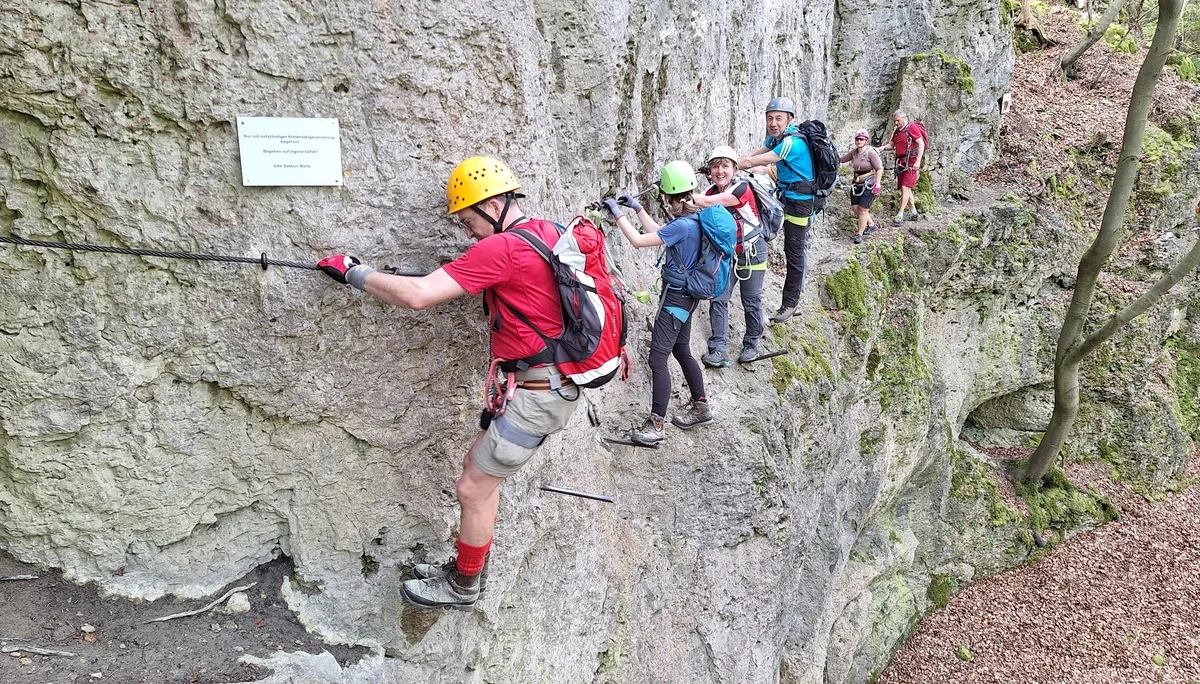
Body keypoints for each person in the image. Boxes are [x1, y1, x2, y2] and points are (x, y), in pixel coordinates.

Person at [316, 156, 581, 611]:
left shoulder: (502, 249)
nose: (467, 232)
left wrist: (353, 271)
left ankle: (463, 587)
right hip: (544, 385)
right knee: (479, 476)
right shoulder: (551, 232)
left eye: (468, 219)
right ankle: (467, 566)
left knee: (472, 488)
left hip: (539, 394)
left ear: (494, 203)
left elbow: (419, 295)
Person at [601, 160, 715, 445]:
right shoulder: (694, 220)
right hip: (688, 296)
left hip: (676, 298)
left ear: (667, 196)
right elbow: (661, 234)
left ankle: (656, 425)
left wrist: (617, 214)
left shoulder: (683, 226)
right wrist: (637, 209)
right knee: (680, 348)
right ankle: (700, 405)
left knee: (657, 357)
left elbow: (640, 241)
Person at [737, 96, 815, 324]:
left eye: (778, 118)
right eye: (770, 118)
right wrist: (729, 161)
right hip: (785, 197)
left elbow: (754, 162)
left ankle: (790, 302)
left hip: (801, 203)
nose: (773, 123)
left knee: (794, 251)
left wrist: (726, 164)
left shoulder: (792, 142)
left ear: (789, 120)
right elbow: (752, 156)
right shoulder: (776, 138)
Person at [693, 145, 766, 366]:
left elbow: (705, 204)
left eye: (725, 166)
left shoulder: (741, 188)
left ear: (734, 168)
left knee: (751, 300)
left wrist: (682, 191)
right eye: (715, 166)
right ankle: (718, 348)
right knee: (718, 298)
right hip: (727, 254)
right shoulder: (707, 192)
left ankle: (751, 343)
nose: (720, 171)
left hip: (752, 251)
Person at [878, 109, 926, 223]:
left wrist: (918, 161)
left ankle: (900, 214)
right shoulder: (898, 131)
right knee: (906, 189)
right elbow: (892, 144)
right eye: (895, 121)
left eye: (897, 120)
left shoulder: (912, 128)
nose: (896, 123)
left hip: (911, 162)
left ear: (903, 118)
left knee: (905, 188)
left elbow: (921, 143)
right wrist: (883, 147)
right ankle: (914, 213)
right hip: (902, 163)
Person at [840, 129, 884, 244]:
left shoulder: (870, 153)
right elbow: (842, 159)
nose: (859, 141)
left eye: (861, 139)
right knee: (856, 209)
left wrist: (877, 183)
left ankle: (859, 234)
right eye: (857, 139)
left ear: (866, 140)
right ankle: (871, 225)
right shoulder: (854, 153)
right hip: (856, 184)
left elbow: (879, 168)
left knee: (863, 210)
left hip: (868, 185)